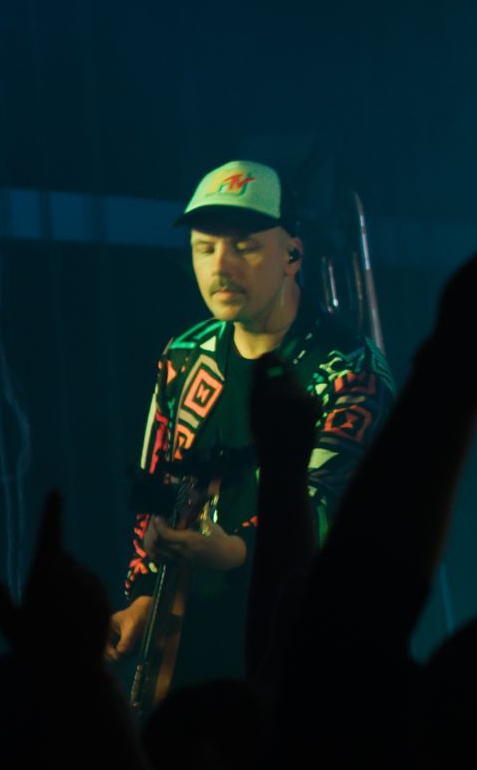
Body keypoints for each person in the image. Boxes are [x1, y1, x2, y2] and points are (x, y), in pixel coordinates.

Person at [107, 160, 395, 693]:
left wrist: (234, 551)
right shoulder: (185, 356)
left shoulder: (350, 370)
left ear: (293, 255)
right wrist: (143, 597)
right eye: (205, 248)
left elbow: (327, 512)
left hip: (310, 657)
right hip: (196, 653)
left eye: (244, 247)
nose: (221, 267)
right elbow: (157, 486)